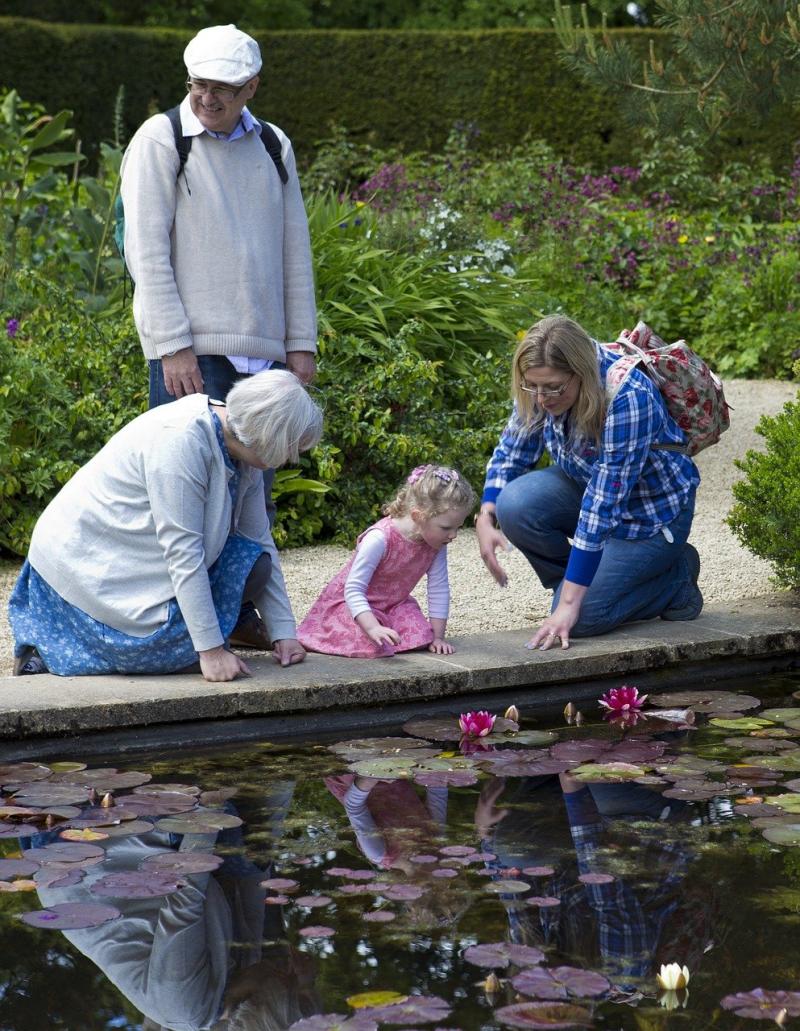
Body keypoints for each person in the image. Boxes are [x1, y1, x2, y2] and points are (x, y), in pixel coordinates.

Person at [119, 23, 318, 649]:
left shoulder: (274, 145)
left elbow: (295, 250)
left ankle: (241, 617)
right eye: (199, 85)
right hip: (193, 352)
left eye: (223, 89)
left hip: (262, 355)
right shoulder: (161, 140)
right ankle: (173, 625)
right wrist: (172, 344)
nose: (208, 98)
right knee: (186, 496)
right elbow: (146, 252)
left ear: (251, 87)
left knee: (254, 494)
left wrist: (300, 342)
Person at [9, 369, 322, 681]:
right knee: (184, 657)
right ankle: (45, 650)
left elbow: (259, 538)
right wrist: (211, 652)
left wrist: (283, 632)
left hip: (135, 562)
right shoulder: (181, 441)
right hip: (84, 569)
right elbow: (183, 554)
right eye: (292, 448)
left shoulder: (243, 448)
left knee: (256, 565)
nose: (291, 459)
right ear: (271, 438)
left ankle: (199, 639)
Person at [475, 314, 702, 650]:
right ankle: (579, 585)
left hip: (650, 518)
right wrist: (486, 514)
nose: (541, 399)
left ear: (580, 374)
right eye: (532, 386)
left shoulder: (627, 396)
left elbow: (601, 506)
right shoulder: (543, 382)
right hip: (591, 489)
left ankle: (677, 576)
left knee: (582, 619)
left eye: (553, 388)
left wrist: (570, 605)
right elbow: (513, 449)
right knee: (515, 504)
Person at [298, 464, 476, 657]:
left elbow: (438, 587)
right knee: (371, 643)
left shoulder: (436, 544)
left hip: (394, 605)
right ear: (418, 516)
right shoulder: (379, 539)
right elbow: (353, 590)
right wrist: (373, 627)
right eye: (446, 527)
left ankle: (386, 629)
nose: (454, 535)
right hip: (353, 606)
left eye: (458, 528)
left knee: (422, 635)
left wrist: (438, 637)